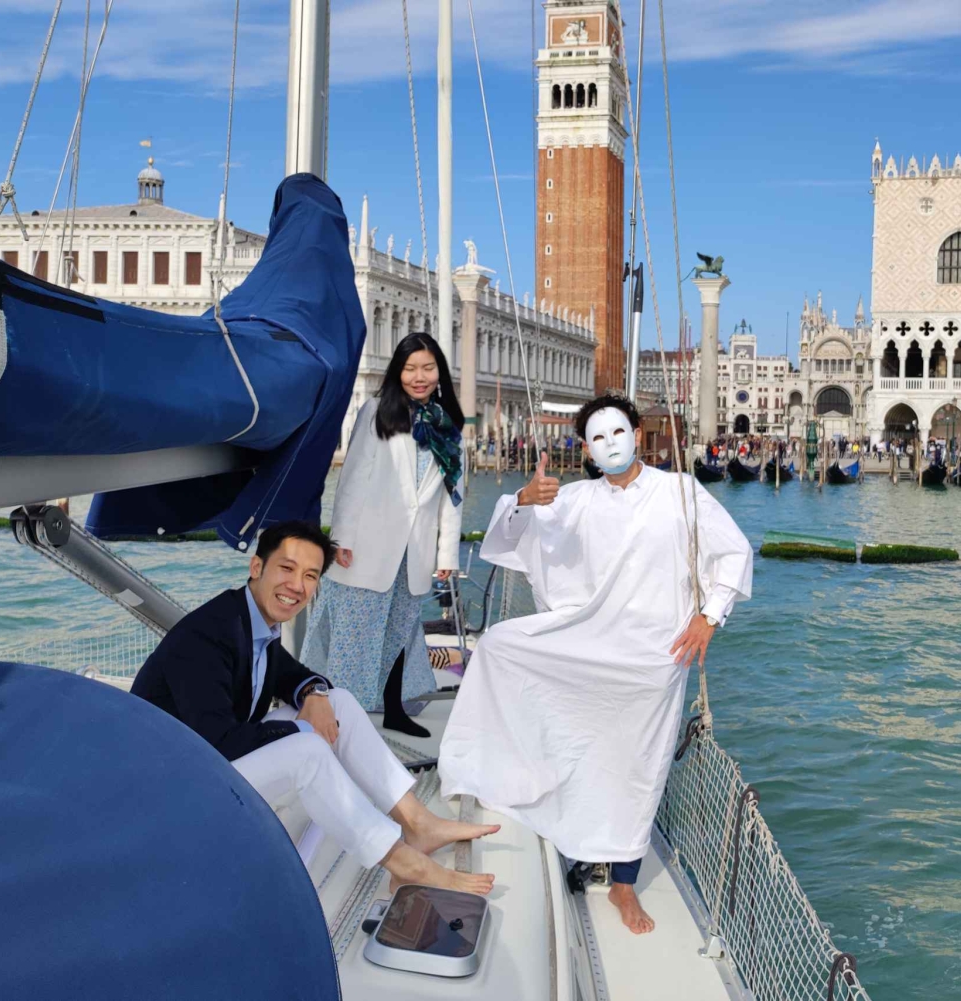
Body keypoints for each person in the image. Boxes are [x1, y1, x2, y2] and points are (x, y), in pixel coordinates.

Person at [439, 395, 753, 935]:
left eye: (618, 432)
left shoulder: (680, 491)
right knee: (498, 649)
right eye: (598, 439)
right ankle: (522, 793)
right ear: (585, 449)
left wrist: (709, 616)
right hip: (587, 640)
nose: (610, 445)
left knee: (638, 764)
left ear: (636, 431)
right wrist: (520, 497)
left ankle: (624, 882)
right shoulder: (575, 498)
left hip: (653, 654)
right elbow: (507, 540)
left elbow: (734, 553)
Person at [131, 520, 496, 894]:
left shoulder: (254, 622)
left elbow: (296, 675)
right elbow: (218, 741)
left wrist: (315, 696)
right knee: (307, 750)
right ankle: (403, 863)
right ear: (257, 567)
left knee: (337, 702)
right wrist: (304, 731)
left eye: (310, 575)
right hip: (171, 793)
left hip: (205, 763)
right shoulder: (208, 634)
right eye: (286, 569)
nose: (297, 586)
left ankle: (418, 823)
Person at [303, 332, 464, 739]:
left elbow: (452, 498)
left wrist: (447, 556)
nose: (419, 376)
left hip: (416, 553)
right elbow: (352, 479)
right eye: (410, 368)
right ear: (398, 372)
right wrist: (340, 539)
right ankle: (335, 716)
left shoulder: (449, 426)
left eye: (428, 368)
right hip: (368, 547)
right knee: (351, 637)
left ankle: (394, 710)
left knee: (399, 636)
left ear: (439, 372)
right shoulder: (376, 411)